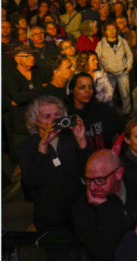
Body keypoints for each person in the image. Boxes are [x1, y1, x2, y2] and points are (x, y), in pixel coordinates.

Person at [17, 95, 90, 233]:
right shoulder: (26, 147)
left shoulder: (71, 138)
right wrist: (43, 146)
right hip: (50, 217)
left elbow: (88, 170)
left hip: (78, 211)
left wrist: (82, 141)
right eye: (46, 116)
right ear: (35, 121)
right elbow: (31, 180)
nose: (53, 120)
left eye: (57, 115)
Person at [72, 149, 137, 261]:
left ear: (118, 174)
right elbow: (104, 253)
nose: (92, 187)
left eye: (100, 180)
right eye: (88, 180)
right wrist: (104, 208)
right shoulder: (82, 208)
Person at [67, 72, 124, 150]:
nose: (87, 91)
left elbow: (124, 128)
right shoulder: (67, 115)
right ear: (72, 90)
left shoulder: (104, 110)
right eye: (82, 87)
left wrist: (116, 150)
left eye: (90, 87)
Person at [95, 20, 134, 114]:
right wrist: (103, 71)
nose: (111, 31)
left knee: (125, 95)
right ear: (105, 31)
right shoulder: (101, 44)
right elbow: (98, 58)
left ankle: (126, 113)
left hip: (123, 72)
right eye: (109, 29)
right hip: (109, 74)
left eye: (113, 29)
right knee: (109, 96)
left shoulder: (123, 41)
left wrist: (128, 66)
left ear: (117, 30)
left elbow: (130, 55)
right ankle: (110, 113)